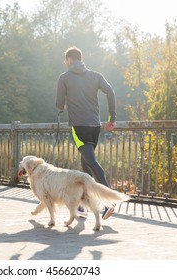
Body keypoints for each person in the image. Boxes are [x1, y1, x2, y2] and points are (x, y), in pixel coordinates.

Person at [56, 46, 117, 220]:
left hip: (78, 127)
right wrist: (112, 117)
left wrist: (61, 107)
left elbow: (60, 104)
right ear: (80, 59)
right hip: (95, 126)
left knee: (91, 162)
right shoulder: (96, 76)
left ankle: (109, 202)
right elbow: (110, 91)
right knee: (85, 165)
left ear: (69, 60)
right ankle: (83, 205)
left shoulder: (64, 77)